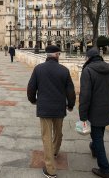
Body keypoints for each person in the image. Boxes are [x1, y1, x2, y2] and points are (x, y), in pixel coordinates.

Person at [27, 45, 76, 178]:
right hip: (59, 108)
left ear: (47, 55)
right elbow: (70, 91)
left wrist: (32, 100)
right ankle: (54, 151)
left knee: (46, 136)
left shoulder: (38, 69)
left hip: (44, 108)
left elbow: (31, 88)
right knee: (58, 133)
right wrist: (71, 105)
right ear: (57, 55)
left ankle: (50, 169)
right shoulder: (64, 70)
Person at [79, 48, 109, 178]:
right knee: (98, 135)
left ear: (88, 58)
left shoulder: (88, 70)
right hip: (106, 109)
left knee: (98, 138)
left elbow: (85, 95)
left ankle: (105, 169)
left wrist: (83, 115)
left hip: (94, 111)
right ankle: (94, 148)